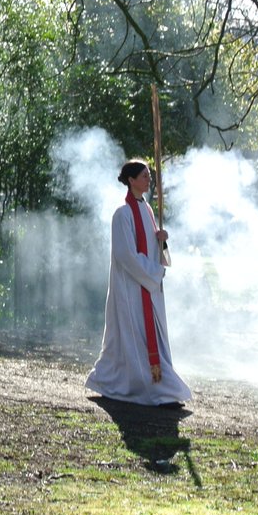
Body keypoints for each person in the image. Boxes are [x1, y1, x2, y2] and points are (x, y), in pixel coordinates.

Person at [85, 158, 191, 407]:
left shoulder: (148, 211)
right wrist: (154, 272)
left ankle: (148, 382)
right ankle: (139, 385)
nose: (149, 179)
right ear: (131, 180)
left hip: (148, 287)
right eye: (144, 175)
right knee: (133, 336)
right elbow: (125, 255)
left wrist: (161, 241)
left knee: (149, 336)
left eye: (149, 176)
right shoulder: (122, 214)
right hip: (130, 288)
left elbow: (154, 251)